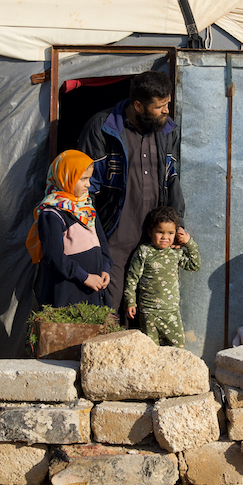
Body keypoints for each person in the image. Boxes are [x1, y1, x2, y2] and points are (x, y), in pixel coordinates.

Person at [78, 70, 185, 310]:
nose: (167, 111)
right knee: (112, 308)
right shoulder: (102, 128)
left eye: (167, 104)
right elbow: (86, 188)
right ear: (138, 106)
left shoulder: (167, 131)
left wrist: (177, 225)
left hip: (153, 241)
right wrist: (92, 238)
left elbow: (172, 180)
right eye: (160, 106)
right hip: (114, 239)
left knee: (150, 309)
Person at [25, 150, 113, 309]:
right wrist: (85, 277)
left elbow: (101, 241)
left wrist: (105, 267)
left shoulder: (86, 208)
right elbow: (54, 256)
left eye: (89, 178)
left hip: (94, 288)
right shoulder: (52, 213)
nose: (88, 184)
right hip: (68, 290)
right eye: (83, 179)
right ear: (65, 177)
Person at [123, 206, 200, 346]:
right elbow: (132, 278)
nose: (165, 237)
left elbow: (194, 265)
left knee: (177, 347)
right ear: (150, 232)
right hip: (148, 312)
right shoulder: (144, 251)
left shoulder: (176, 253)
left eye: (170, 233)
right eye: (160, 232)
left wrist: (189, 243)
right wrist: (130, 301)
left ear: (176, 233)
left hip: (171, 312)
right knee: (150, 349)